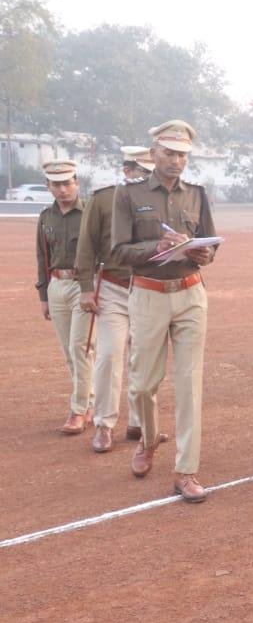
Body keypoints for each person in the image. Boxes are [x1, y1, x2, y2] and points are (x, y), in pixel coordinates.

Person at [110, 119, 217, 503]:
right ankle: (150, 439)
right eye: (170, 153)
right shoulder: (128, 195)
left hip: (190, 293)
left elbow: (210, 242)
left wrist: (204, 252)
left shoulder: (197, 194)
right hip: (148, 294)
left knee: (190, 385)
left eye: (183, 155)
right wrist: (157, 247)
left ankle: (186, 470)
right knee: (143, 383)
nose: (176, 161)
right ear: (153, 153)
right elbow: (119, 251)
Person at [75, 146, 153, 451]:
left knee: (143, 357)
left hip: (147, 287)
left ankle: (138, 422)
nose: (143, 177)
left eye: (148, 172)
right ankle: (105, 425)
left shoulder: (157, 200)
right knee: (109, 355)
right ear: (126, 170)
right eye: (139, 171)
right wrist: (84, 286)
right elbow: (86, 244)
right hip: (112, 287)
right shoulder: (104, 198)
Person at [34, 159, 93, 434]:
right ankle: (90, 402)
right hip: (57, 285)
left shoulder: (90, 213)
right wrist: (44, 294)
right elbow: (42, 256)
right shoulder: (46, 217)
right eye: (56, 184)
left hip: (84, 285)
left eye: (67, 183)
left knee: (80, 347)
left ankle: (78, 410)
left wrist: (92, 288)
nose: (62, 189)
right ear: (48, 186)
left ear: (77, 183)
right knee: (70, 351)